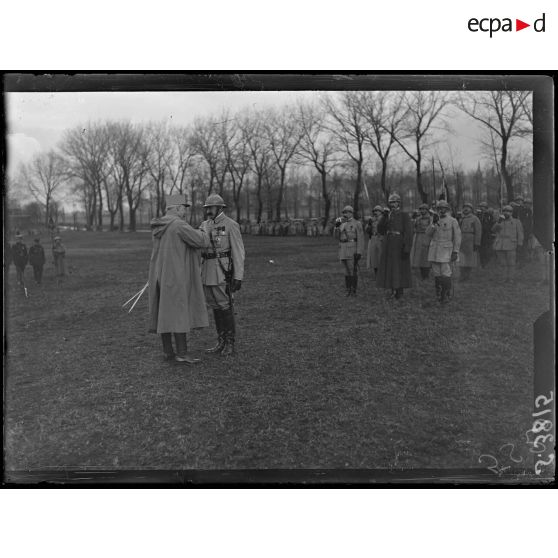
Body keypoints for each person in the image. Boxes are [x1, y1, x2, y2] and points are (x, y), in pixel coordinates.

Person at [148, 193, 210, 364]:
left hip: (159, 276)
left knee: (164, 313)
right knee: (178, 313)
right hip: (176, 277)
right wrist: (204, 230)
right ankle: (182, 353)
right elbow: (201, 241)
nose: (184, 212)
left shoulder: (159, 226)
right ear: (175, 209)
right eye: (183, 208)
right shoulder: (178, 225)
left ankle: (168, 351)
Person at [200, 194, 245, 357]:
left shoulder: (230, 225)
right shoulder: (204, 225)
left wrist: (238, 276)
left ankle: (230, 343)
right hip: (206, 271)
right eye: (207, 208)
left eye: (210, 208)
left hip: (221, 271)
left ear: (219, 208)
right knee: (215, 306)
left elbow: (239, 251)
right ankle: (221, 341)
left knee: (225, 306)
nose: (208, 211)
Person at [376, 193, 413, 299]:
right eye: (391, 202)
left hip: (399, 243)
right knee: (390, 267)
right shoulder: (387, 215)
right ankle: (392, 289)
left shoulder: (404, 215)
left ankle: (399, 291)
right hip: (388, 243)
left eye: (395, 202)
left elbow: (409, 232)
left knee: (399, 267)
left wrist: (407, 247)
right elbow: (380, 230)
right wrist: (384, 217)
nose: (393, 204)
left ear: (399, 203)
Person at [425, 200, 461, 304]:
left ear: (447, 209)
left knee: (445, 272)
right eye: (439, 209)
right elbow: (427, 233)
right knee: (436, 272)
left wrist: (455, 251)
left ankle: (446, 294)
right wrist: (433, 224)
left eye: (443, 208)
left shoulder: (452, 220)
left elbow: (458, 237)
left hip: (446, 249)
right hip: (434, 249)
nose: (441, 210)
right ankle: (439, 293)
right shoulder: (434, 220)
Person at [335, 205, 364, 296]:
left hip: (352, 248)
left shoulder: (357, 223)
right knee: (346, 270)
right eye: (343, 212)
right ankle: (348, 289)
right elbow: (336, 237)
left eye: (346, 212)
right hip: (342, 248)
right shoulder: (341, 223)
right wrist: (336, 227)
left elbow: (361, 238)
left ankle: (353, 290)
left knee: (352, 269)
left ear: (351, 213)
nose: (344, 214)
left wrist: (359, 252)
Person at [492, 204, 524, 282]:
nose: (506, 213)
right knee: (502, 263)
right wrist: (498, 222)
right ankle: (503, 278)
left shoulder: (516, 221)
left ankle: (510, 278)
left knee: (511, 262)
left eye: (508, 211)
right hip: (500, 244)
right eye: (505, 211)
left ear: (511, 213)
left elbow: (520, 233)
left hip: (511, 244)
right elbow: (493, 230)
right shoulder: (500, 221)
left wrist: (520, 244)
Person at [458, 203, 482, 282]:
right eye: (464, 207)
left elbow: (478, 231)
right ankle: (462, 275)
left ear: (471, 209)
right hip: (461, 239)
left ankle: (467, 275)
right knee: (461, 258)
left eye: (468, 208)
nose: (466, 209)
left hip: (470, 239)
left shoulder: (475, 218)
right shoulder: (461, 218)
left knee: (469, 258)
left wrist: (477, 243)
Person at [410, 203, 432, 280]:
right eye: (421, 209)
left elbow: (432, 229)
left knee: (425, 257)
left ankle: (426, 275)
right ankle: (421, 274)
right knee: (418, 256)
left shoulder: (430, 219)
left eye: (424, 209)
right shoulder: (418, 219)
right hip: (418, 238)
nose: (422, 211)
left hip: (426, 238)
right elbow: (413, 227)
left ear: (427, 210)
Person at [513, 195, 533, 267]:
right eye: (527, 203)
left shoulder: (529, 211)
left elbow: (530, 222)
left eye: (529, 204)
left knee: (524, 246)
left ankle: (522, 262)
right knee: (519, 246)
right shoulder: (520, 210)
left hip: (526, 232)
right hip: (520, 231)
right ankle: (518, 261)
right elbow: (519, 220)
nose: (528, 205)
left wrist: (530, 231)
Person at [365, 206, 384, 278]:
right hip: (373, 238)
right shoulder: (371, 219)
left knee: (380, 255)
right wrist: (369, 224)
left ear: (381, 212)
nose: (375, 212)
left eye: (377, 211)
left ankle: (382, 274)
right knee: (373, 256)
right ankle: (376, 273)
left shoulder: (383, 219)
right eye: (374, 211)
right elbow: (366, 230)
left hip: (381, 238)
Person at [477, 202, 495, 268]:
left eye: (483, 207)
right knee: (481, 250)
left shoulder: (489, 215)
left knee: (487, 250)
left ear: (486, 208)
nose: (482, 208)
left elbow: (492, 224)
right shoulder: (478, 215)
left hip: (487, 235)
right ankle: (482, 263)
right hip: (480, 235)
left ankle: (487, 262)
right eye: (481, 207)